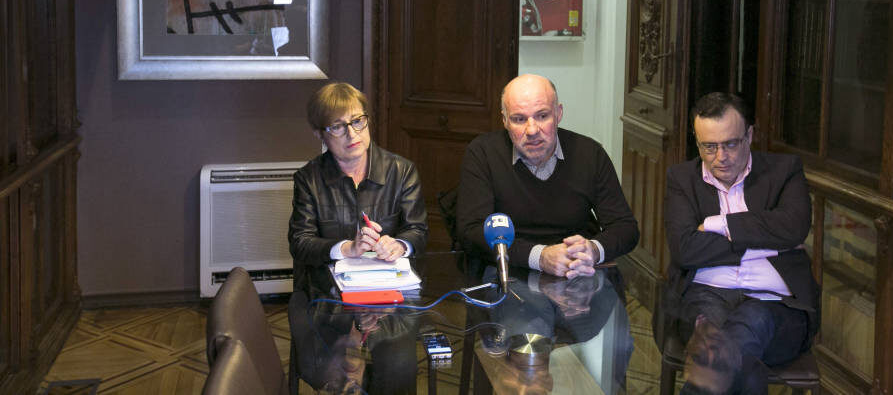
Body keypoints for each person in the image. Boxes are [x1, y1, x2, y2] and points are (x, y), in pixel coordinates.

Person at [664, 92, 820, 394]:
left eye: (730, 144)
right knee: (729, 347)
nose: (720, 157)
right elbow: (685, 249)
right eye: (709, 146)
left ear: (749, 135)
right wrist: (768, 244)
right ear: (697, 142)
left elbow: (794, 227)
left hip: (778, 304)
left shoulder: (785, 171)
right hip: (705, 295)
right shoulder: (682, 178)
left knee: (744, 326)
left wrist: (717, 225)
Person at [456, 74, 639, 278]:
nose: (532, 130)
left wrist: (593, 250)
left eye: (542, 116)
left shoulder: (590, 154)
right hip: (509, 271)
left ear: (558, 114)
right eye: (519, 119)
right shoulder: (483, 153)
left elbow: (626, 228)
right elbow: (470, 232)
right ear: (505, 120)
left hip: (578, 271)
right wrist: (540, 257)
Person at [288, 82, 427, 296]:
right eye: (337, 127)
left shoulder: (401, 171)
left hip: (390, 288)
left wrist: (400, 245)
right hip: (326, 293)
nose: (352, 134)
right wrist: (347, 248)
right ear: (319, 133)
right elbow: (301, 243)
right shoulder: (309, 179)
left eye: (357, 121)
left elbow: (418, 230)